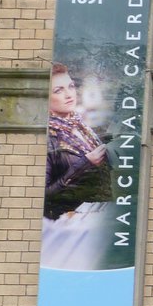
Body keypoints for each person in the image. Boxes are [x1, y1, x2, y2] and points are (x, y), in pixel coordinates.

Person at [44, 62, 112, 220]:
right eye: (58, 90)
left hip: (98, 213)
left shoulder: (82, 126)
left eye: (71, 86)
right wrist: (86, 163)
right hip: (66, 222)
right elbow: (44, 194)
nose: (69, 95)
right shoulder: (48, 137)